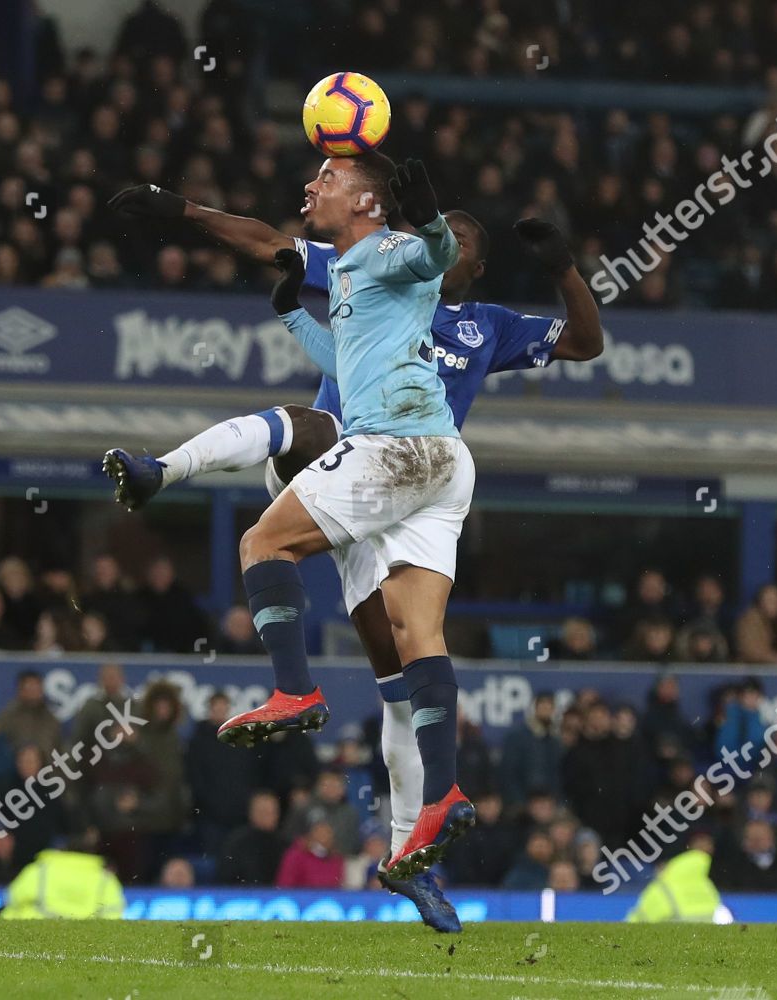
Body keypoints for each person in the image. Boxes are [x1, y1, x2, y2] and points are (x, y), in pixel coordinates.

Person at [105, 160, 602, 929]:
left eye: (464, 242)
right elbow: (272, 249)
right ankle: (163, 469)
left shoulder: (473, 315)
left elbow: (585, 342)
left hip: (400, 474)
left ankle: (403, 834)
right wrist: (186, 213)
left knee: (390, 663)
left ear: (473, 267)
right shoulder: (363, 265)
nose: (450, 242)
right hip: (361, 461)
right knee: (311, 431)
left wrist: (562, 266)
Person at [0, 845, 125, 920]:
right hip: (86, 941)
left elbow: (11, 898)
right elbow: (114, 916)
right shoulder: (105, 879)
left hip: (31, 936)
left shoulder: (38, 869)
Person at [625, 829, 721, 922]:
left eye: (708, 842)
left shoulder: (702, 879)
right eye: (701, 841)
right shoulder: (705, 883)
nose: (708, 846)